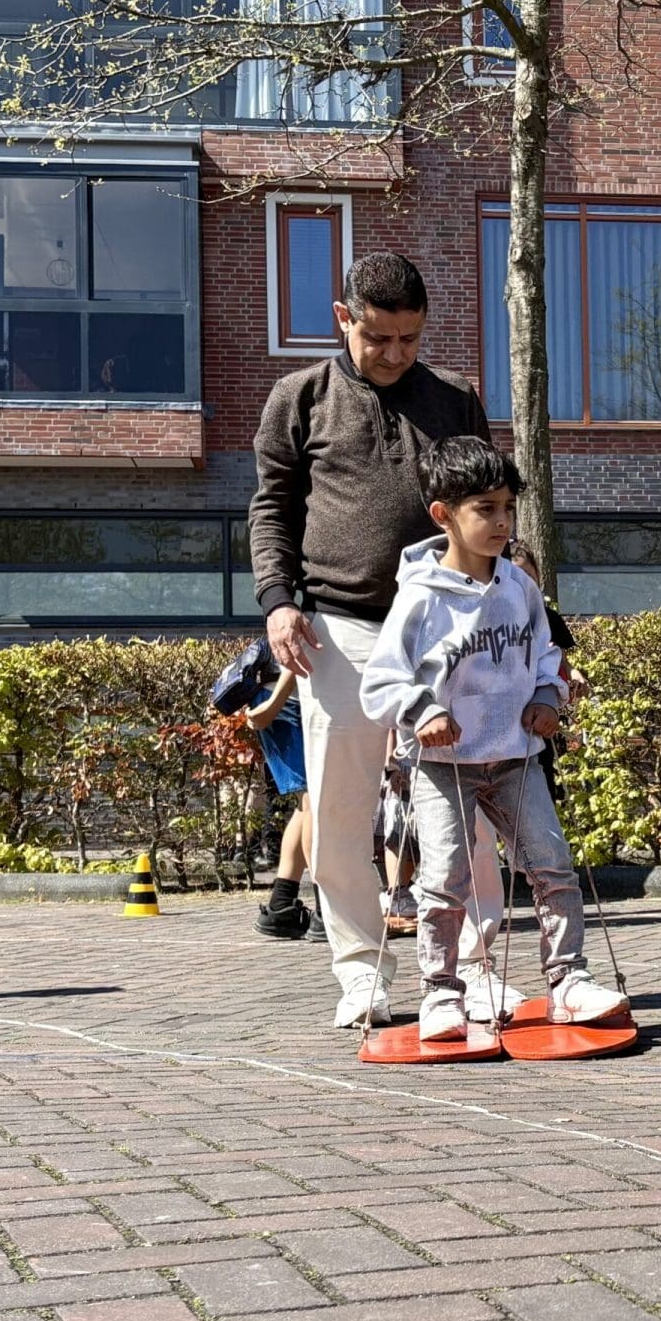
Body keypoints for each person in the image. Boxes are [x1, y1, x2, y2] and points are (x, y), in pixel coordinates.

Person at [249, 252, 501, 1028]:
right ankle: (361, 974)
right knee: (339, 809)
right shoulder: (299, 399)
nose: (394, 354)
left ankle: (478, 971)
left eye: (409, 339)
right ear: (343, 319)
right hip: (338, 628)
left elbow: (487, 506)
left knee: (467, 806)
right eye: (378, 338)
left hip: (444, 630)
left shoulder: (455, 398)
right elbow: (271, 510)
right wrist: (277, 603)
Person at [361, 437, 630, 1042]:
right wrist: (422, 709)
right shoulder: (419, 597)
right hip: (443, 764)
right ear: (444, 514)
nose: (502, 521)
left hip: (516, 758)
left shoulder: (520, 588)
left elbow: (547, 656)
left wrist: (548, 697)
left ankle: (569, 982)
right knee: (445, 878)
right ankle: (440, 993)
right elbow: (381, 680)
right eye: (485, 508)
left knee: (552, 866)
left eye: (508, 507)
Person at [506, 538, 587, 802]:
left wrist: (574, 675)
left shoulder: (547, 617)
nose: (523, 584)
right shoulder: (495, 616)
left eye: (528, 576)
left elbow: (559, 658)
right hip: (505, 718)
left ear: (538, 577)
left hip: (539, 717)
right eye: (515, 576)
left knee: (542, 787)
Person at [243, 667, 319, 940]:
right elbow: (296, 653)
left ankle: (281, 906)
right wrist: (274, 703)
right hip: (290, 698)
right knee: (314, 802)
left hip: (280, 696)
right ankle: (326, 911)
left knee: (306, 804)